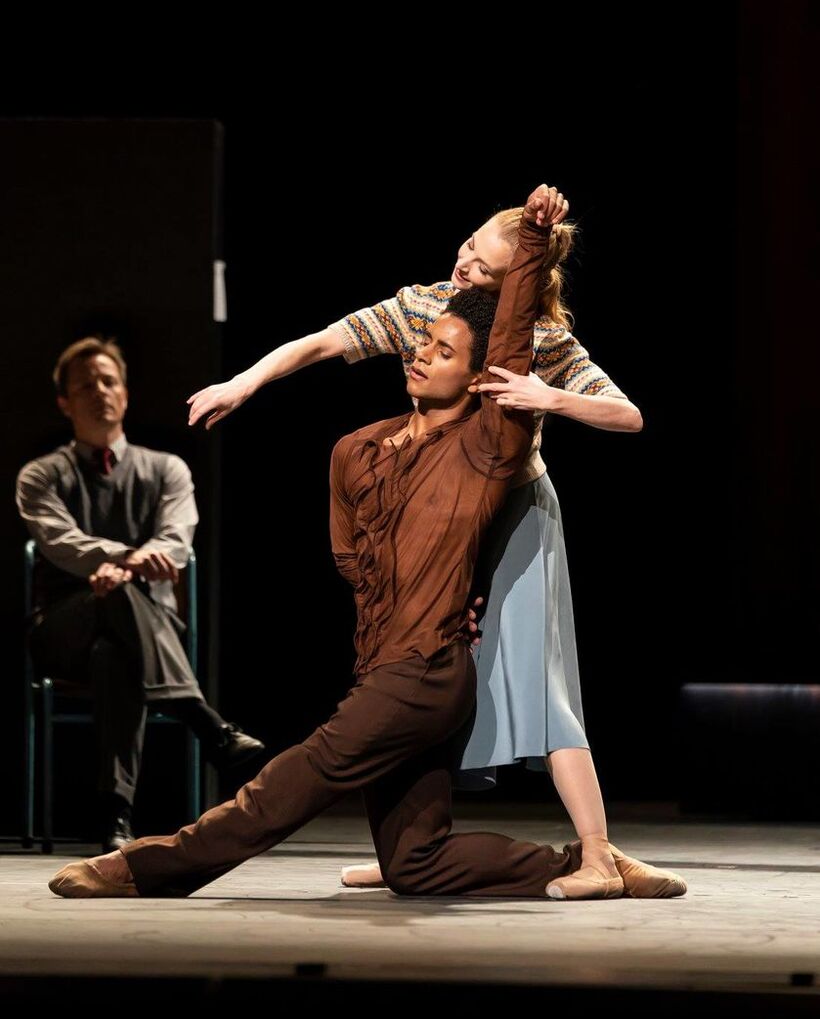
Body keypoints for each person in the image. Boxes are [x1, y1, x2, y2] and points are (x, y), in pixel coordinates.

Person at [49, 186, 686, 903]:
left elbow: (553, 372)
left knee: (302, 775)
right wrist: (247, 380)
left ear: (480, 371)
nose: (420, 353)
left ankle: (146, 865)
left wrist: (536, 245)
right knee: (417, 862)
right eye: (424, 342)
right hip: (393, 659)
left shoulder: (485, 438)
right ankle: (574, 859)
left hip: (432, 654)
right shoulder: (361, 444)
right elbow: (352, 538)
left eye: (443, 350)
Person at [17, 337, 266, 852]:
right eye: (84, 385)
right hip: (64, 627)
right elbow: (59, 541)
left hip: (143, 633)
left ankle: (116, 818)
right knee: (110, 603)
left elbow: (177, 540)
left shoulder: (166, 469)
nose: (99, 392)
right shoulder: (41, 474)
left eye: (108, 381)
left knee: (117, 652)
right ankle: (206, 721)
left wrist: (122, 571)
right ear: (64, 401)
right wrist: (127, 560)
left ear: (125, 394)